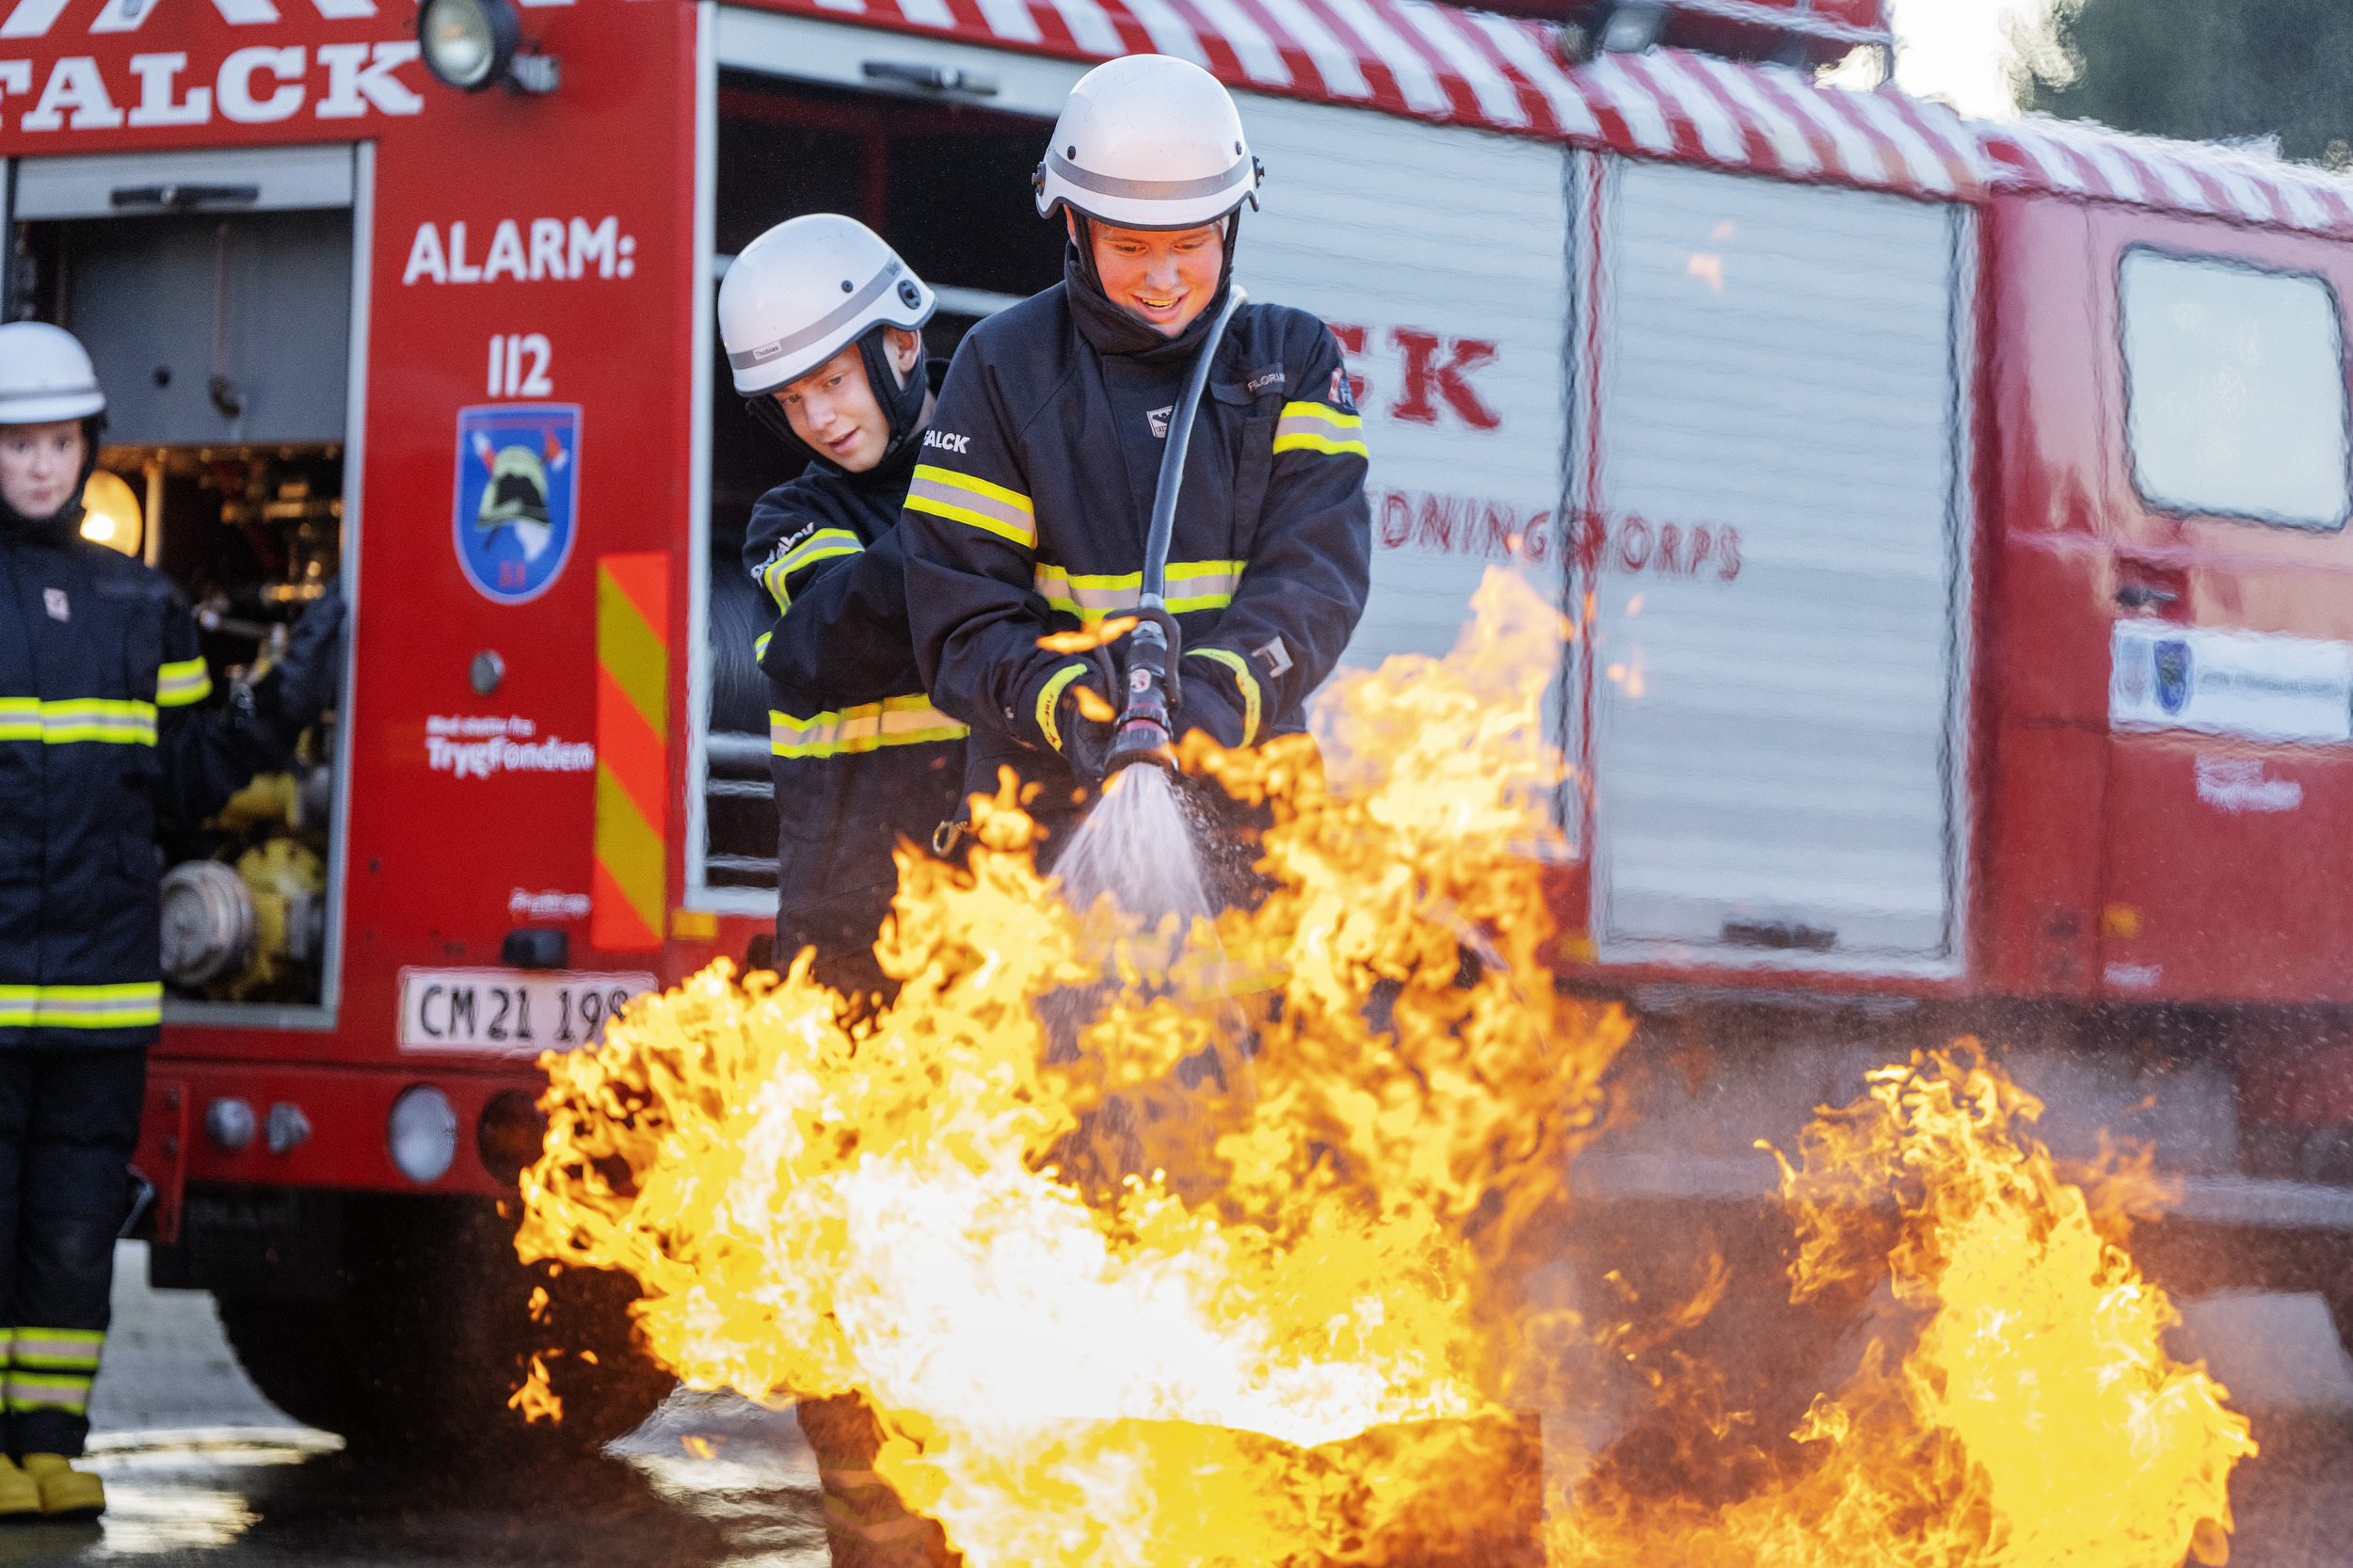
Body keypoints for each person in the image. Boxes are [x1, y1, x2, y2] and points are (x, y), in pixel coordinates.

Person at [0, 322, 330, 1519]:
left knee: (74, 1234)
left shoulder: (145, 609)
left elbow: (190, 779)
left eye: (57, 443)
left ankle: (46, 1447)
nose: (39, 465)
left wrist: (288, 698)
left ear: (90, 450)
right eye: (17, 443)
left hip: (100, 996)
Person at [900, 54, 1372, 868]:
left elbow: (1317, 577)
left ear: (1232, 221)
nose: (1162, 280)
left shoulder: (1290, 359)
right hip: (1038, 828)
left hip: (1258, 820)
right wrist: (1081, 706)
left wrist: (1216, 700)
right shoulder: (1004, 368)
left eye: (1190, 244)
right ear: (1074, 226)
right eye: (1129, 246)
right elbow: (963, 619)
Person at [715, 214, 964, 1568]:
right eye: (792, 398)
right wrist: (991, 529)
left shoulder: (994, 476)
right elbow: (825, 639)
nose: (819, 416)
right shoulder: (794, 520)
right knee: (849, 1303)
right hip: (848, 980)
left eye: (835, 381)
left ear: (902, 344)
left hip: (995, 985)